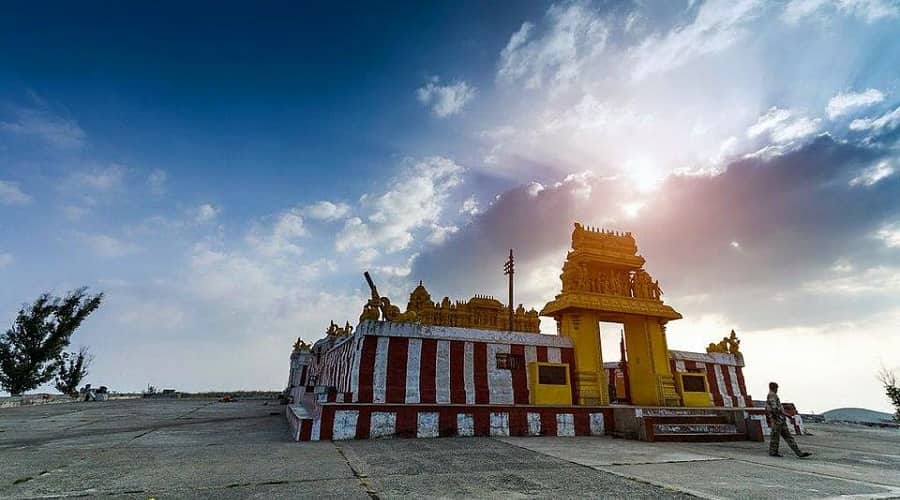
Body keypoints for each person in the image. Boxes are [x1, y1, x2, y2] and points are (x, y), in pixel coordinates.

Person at [766, 382, 811, 458]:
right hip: (777, 419)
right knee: (778, 437)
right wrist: (783, 415)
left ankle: (798, 452)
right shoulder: (772, 395)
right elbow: (774, 408)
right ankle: (774, 452)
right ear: (774, 387)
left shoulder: (773, 395)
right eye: (777, 388)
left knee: (786, 436)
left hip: (779, 419)